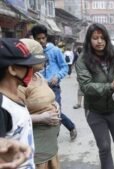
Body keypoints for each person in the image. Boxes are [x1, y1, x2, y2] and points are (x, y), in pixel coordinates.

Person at [75, 23, 114, 169]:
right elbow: (86, 86)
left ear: (106, 38)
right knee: (105, 147)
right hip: (95, 111)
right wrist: (111, 86)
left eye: (102, 37)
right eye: (95, 38)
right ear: (89, 40)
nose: (99, 41)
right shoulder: (82, 60)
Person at [0, 38, 47, 169]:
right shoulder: (2, 107)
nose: (31, 69)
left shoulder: (14, 97)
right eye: (27, 65)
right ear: (12, 70)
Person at [18, 38, 61, 169]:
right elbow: (15, 118)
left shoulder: (39, 76)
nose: (44, 59)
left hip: (50, 142)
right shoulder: (20, 84)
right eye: (39, 56)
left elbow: (48, 98)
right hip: (36, 143)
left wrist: (55, 105)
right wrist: (42, 118)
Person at [31, 25, 77, 141]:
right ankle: (69, 127)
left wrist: (57, 76)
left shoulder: (55, 50)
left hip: (54, 87)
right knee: (44, 111)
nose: (41, 41)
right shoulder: (33, 52)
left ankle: (54, 138)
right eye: (38, 38)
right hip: (38, 88)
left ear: (46, 38)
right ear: (34, 39)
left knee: (55, 111)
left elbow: (64, 68)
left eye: (43, 38)